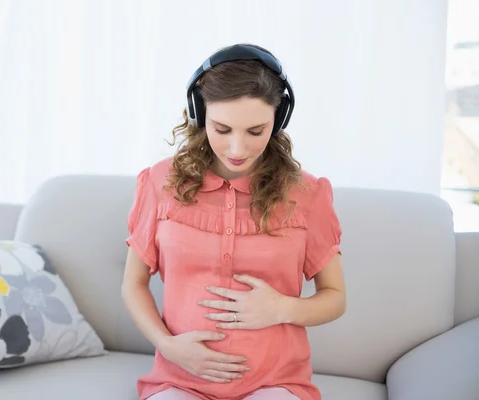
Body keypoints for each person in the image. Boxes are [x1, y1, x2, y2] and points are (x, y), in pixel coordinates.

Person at [121, 43, 346, 400]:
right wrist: (168, 345)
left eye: (255, 131)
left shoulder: (308, 194)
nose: (238, 149)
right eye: (222, 129)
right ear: (199, 114)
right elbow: (133, 284)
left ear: (279, 118)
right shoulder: (158, 182)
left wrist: (284, 308)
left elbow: (335, 298)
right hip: (179, 380)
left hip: (275, 382)